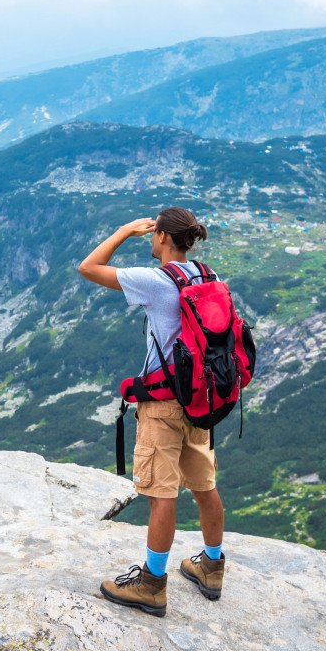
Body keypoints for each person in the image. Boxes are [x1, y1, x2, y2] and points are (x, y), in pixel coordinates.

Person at [78, 206, 225, 617]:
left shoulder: (155, 281)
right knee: (204, 484)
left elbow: (88, 267)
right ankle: (211, 566)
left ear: (160, 236)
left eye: (154, 232)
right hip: (200, 399)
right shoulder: (206, 275)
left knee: (161, 494)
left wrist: (124, 230)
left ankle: (152, 584)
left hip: (162, 404)